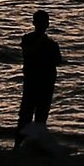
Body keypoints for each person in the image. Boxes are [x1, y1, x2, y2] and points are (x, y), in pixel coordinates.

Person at [18, 10, 62, 144]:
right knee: (27, 116)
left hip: (43, 83)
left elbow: (58, 61)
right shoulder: (30, 40)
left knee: (38, 117)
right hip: (35, 83)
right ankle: (21, 144)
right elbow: (29, 53)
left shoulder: (50, 44)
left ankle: (33, 144)